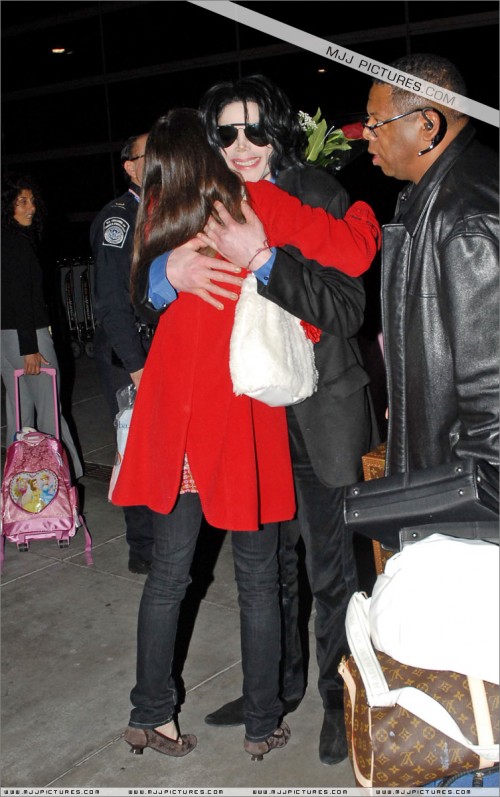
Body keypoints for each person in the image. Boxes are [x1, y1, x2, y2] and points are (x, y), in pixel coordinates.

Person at [111, 107, 380, 760]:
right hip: (237, 417)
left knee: (170, 575)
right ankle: (264, 723)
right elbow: (353, 247)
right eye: (225, 136)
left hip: (176, 414)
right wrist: (368, 214)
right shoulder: (248, 203)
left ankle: (151, 714)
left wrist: (161, 276)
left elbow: (137, 294)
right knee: (259, 578)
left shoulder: (162, 213)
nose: (239, 145)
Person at [362, 53, 498, 474]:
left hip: (464, 486)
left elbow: (491, 394)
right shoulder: (439, 195)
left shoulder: (464, 215)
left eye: (375, 122)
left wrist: (467, 510)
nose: (365, 135)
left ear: (426, 125)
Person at [90, 134, 155, 574]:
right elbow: (112, 301)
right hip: (128, 352)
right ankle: (142, 549)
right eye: (149, 156)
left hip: (156, 345)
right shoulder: (120, 219)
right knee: (132, 445)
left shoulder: (161, 212)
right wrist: (135, 366)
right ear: (129, 167)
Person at [1, 173, 83, 480]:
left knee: (19, 411)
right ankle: (63, 476)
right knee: (50, 410)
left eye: (32, 201)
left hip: (5, 339)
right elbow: (23, 299)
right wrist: (30, 348)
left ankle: (20, 477)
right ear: (6, 206)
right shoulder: (17, 246)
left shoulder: (5, 243)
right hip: (28, 336)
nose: (30, 207)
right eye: (21, 201)